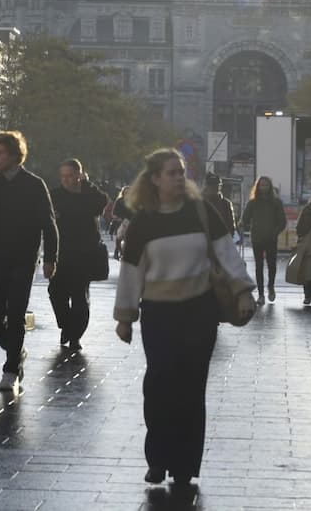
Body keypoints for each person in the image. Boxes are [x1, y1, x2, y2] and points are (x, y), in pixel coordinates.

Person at [114, 149, 255, 491]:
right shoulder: (143, 223)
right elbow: (131, 272)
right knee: (160, 385)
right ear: (155, 179)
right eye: (171, 172)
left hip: (199, 311)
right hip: (159, 314)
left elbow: (227, 254)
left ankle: (184, 464)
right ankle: (158, 459)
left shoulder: (201, 212)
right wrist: (125, 316)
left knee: (192, 388)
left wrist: (243, 290)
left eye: (181, 172)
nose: (179, 177)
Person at [0, 131, 58, 392]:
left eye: (0, 153)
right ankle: (16, 351)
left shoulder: (34, 185)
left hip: (22, 259)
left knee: (16, 312)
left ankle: (11, 370)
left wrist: (51, 258)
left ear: (14, 154)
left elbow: (49, 223)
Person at [48, 159, 109, 353]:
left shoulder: (89, 195)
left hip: (85, 255)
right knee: (56, 293)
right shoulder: (55, 195)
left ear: (78, 175)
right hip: (61, 254)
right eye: (63, 176)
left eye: (70, 175)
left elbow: (103, 202)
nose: (66, 180)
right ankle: (66, 325)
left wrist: (88, 184)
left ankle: (75, 336)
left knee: (79, 298)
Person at [240, 176, 286, 305]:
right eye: (261, 185)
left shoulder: (276, 202)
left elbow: (282, 221)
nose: (264, 187)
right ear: (258, 187)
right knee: (258, 266)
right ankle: (261, 294)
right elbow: (246, 217)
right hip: (257, 238)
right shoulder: (253, 202)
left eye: (266, 185)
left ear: (270, 187)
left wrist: (275, 232)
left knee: (271, 265)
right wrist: (242, 223)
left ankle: (270, 286)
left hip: (271, 239)